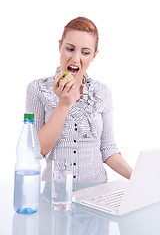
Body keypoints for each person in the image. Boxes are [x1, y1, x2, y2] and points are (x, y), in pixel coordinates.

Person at [26, 16, 133, 185]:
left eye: (85, 52)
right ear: (60, 46)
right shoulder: (37, 89)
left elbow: (107, 149)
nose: (76, 59)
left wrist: (138, 179)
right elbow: (36, 151)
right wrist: (63, 103)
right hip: (56, 194)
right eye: (70, 48)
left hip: (97, 192)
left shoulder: (102, 93)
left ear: (94, 55)